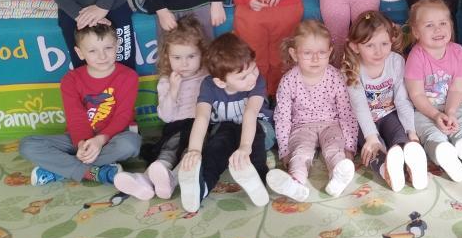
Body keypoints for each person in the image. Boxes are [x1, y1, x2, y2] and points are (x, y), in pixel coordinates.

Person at [19, 23, 148, 197]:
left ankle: (61, 170)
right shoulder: (71, 80)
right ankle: (97, 172)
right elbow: (76, 117)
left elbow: (123, 116)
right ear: (80, 53)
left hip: (113, 137)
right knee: (28, 145)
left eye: (108, 48)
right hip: (78, 139)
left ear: (117, 46)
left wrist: (100, 140)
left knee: (131, 144)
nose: (102, 56)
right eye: (92, 51)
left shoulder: (128, 76)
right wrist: (82, 143)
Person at [178, 33, 273, 212]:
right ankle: (202, 187)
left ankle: (258, 180)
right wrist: (194, 150)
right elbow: (202, 117)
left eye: (253, 69)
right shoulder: (209, 85)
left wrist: (245, 147)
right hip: (227, 130)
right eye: (243, 77)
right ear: (221, 83)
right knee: (216, 146)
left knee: (255, 141)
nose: (252, 77)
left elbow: (251, 114)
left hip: (258, 128)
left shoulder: (257, 82)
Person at [266, 20, 359, 201]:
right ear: (294, 54)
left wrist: (350, 145)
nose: (315, 59)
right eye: (307, 53)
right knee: (300, 153)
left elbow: (346, 113)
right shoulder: (288, 80)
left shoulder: (336, 77)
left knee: (334, 149)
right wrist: (284, 150)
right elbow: (282, 117)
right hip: (301, 126)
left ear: (330, 52)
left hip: (331, 124)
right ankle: (295, 183)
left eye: (322, 52)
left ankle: (338, 178)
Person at [343, 11, 428, 192]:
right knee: (373, 149)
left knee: (401, 138)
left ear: (392, 40)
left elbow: (402, 99)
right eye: (370, 45)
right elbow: (359, 106)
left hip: (389, 114)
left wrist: (411, 131)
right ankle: (387, 169)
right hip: (362, 122)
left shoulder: (396, 61)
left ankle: (412, 167)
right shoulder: (351, 68)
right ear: (355, 47)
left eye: (384, 43)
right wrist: (371, 137)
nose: (378, 51)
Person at [404, 0, 462, 181]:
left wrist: (450, 112)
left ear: (451, 25)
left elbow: (457, 89)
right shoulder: (416, 57)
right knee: (430, 132)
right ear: (416, 32)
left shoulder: (458, 53)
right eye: (429, 25)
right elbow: (416, 94)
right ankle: (443, 153)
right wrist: (435, 115)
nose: (438, 29)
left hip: (452, 105)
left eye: (443, 23)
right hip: (424, 110)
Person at [144, 15, 210, 199]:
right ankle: (148, 178)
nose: (184, 63)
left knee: (192, 152)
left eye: (191, 56)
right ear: (168, 57)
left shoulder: (207, 76)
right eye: (177, 57)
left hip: (201, 126)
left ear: (202, 54)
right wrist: (173, 90)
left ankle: (172, 179)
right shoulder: (167, 80)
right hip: (176, 126)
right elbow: (166, 116)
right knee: (168, 150)